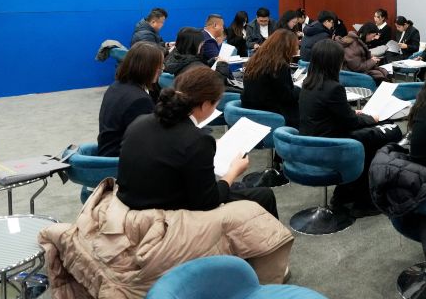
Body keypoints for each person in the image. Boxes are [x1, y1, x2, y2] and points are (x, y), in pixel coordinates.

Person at [116, 66, 278, 219]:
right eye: (215, 104)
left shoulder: (139, 122)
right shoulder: (196, 140)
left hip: (131, 209)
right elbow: (208, 202)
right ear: (206, 104)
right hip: (172, 216)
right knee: (264, 195)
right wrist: (233, 172)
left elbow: (167, 148)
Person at [298, 39, 402, 216]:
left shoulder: (308, 83)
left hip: (313, 140)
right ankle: (363, 200)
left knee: (371, 136)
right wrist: (371, 118)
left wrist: (354, 113)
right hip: (331, 144)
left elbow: (332, 113)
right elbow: (351, 122)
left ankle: (345, 193)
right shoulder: (333, 88)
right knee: (386, 133)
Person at [97, 42, 163, 157]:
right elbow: (147, 141)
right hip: (120, 160)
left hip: (108, 151)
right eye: (159, 67)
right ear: (146, 68)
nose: (161, 71)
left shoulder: (115, 86)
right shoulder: (140, 100)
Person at [241, 29, 301, 128]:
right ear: (287, 47)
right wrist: (301, 89)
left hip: (251, 111)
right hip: (273, 114)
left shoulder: (255, 61)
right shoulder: (279, 66)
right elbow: (287, 97)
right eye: (295, 45)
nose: (297, 47)